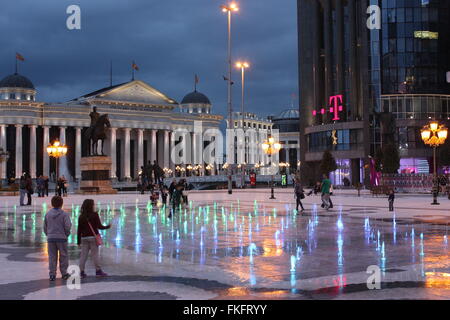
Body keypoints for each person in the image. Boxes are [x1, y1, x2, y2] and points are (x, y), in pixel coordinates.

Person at [77, 199, 111, 278]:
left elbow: (79, 230)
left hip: (84, 238)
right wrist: (107, 227)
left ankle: (81, 272)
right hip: (93, 237)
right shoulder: (95, 215)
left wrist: (78, 241)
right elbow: (99, 226)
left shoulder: (81, 216)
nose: (94, 205)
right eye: (93, 204)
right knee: (95, 255)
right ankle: (98, 271)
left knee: (83, 255)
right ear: (91, 206)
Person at [43, 196, 72, 281]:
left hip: (51, 238)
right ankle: (64, 273)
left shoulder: (48, 214)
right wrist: (66, 234)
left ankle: (52, 274)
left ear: (52, 204)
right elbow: (67, 226)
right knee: (63, 256)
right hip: (62, 238)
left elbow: (45, 227)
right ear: (61, 204)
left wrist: (48, 234)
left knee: (52, 257)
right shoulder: (64, 214)